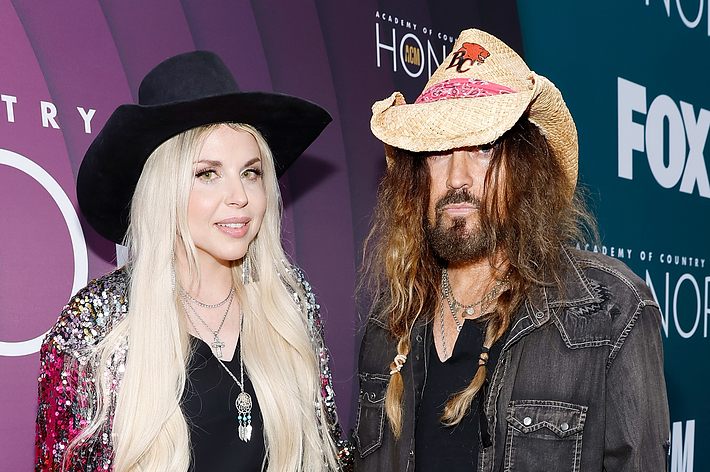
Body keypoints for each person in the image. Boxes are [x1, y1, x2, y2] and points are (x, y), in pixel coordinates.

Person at [354, 29, 669, 472]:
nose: (457, 178)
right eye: (438, 152)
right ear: (416, 176)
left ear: (526, 168)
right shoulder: (391, 321)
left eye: (483, 148)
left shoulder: (610, 312)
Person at [35, 51, 352, 472]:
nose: (239, 196)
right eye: (208, 173)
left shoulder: (290, 303)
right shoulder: (96, 328)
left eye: (251, 172)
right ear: (164, 188)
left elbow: (327, 453)